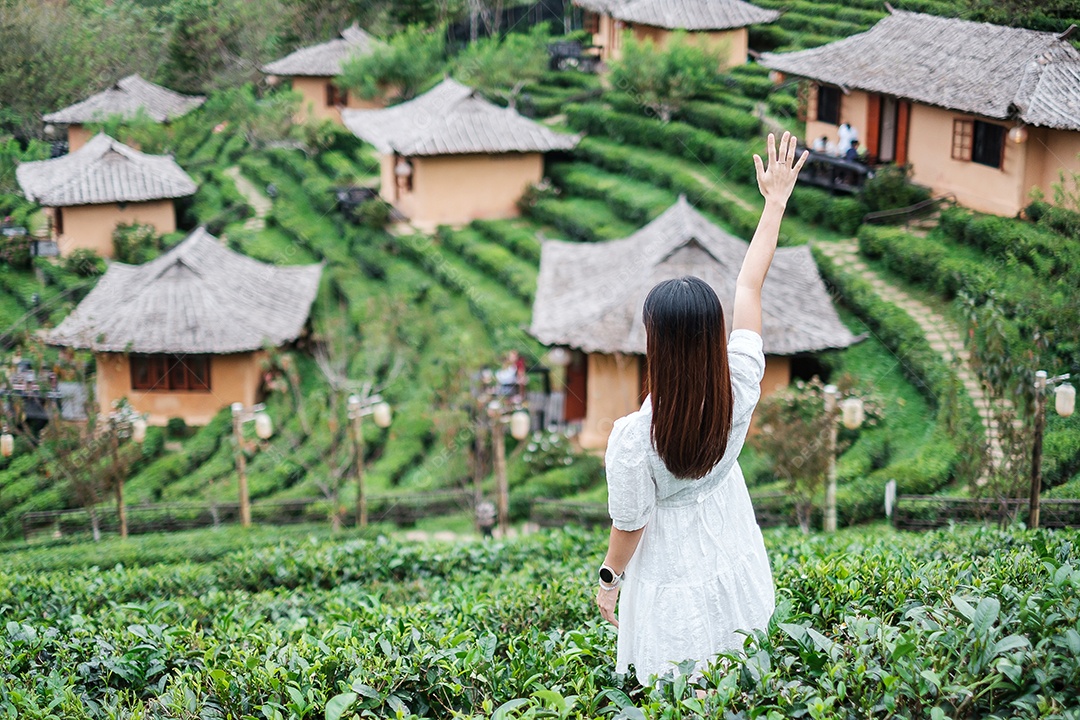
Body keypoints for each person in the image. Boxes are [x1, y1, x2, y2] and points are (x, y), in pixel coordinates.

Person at [595, 132, 808, 686]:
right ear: (716, 336)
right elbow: (749, 284)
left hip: (669, 559)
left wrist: (609, 579)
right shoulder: (740, 380)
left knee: (678, 678)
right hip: (729, 527)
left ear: (655, 347)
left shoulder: (635, 438)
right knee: (738, 663)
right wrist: (775, 202)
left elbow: (630, 524)